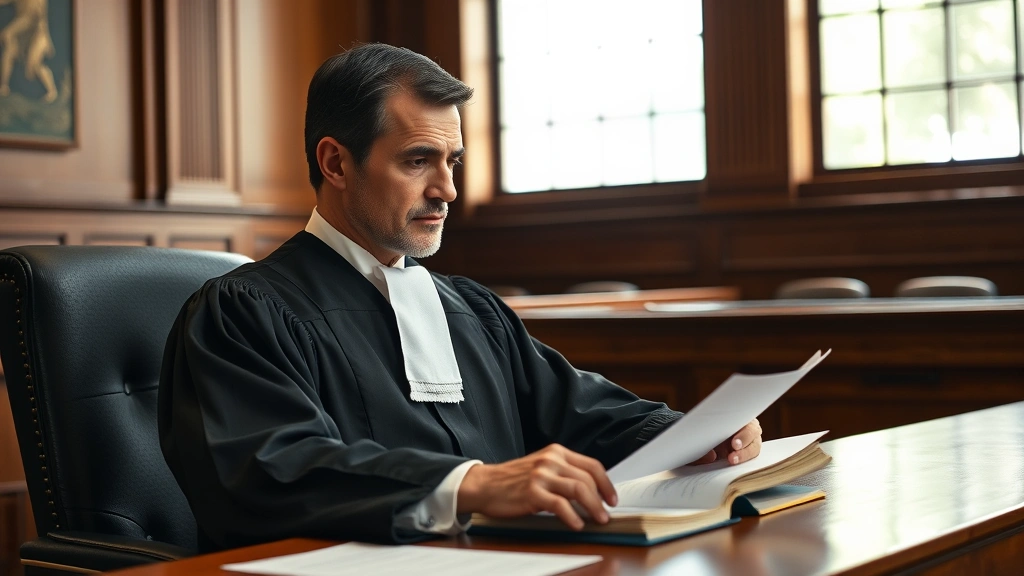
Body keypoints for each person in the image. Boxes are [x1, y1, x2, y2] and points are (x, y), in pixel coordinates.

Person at [158, 43, 762, 551]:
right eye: (418, 160)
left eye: (453, 161)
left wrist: (693, 434)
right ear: (335, 162)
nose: (447, 189)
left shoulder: (469, 310)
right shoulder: (243, 313)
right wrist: (469, 484)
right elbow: (274, 470)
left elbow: (578, 411)